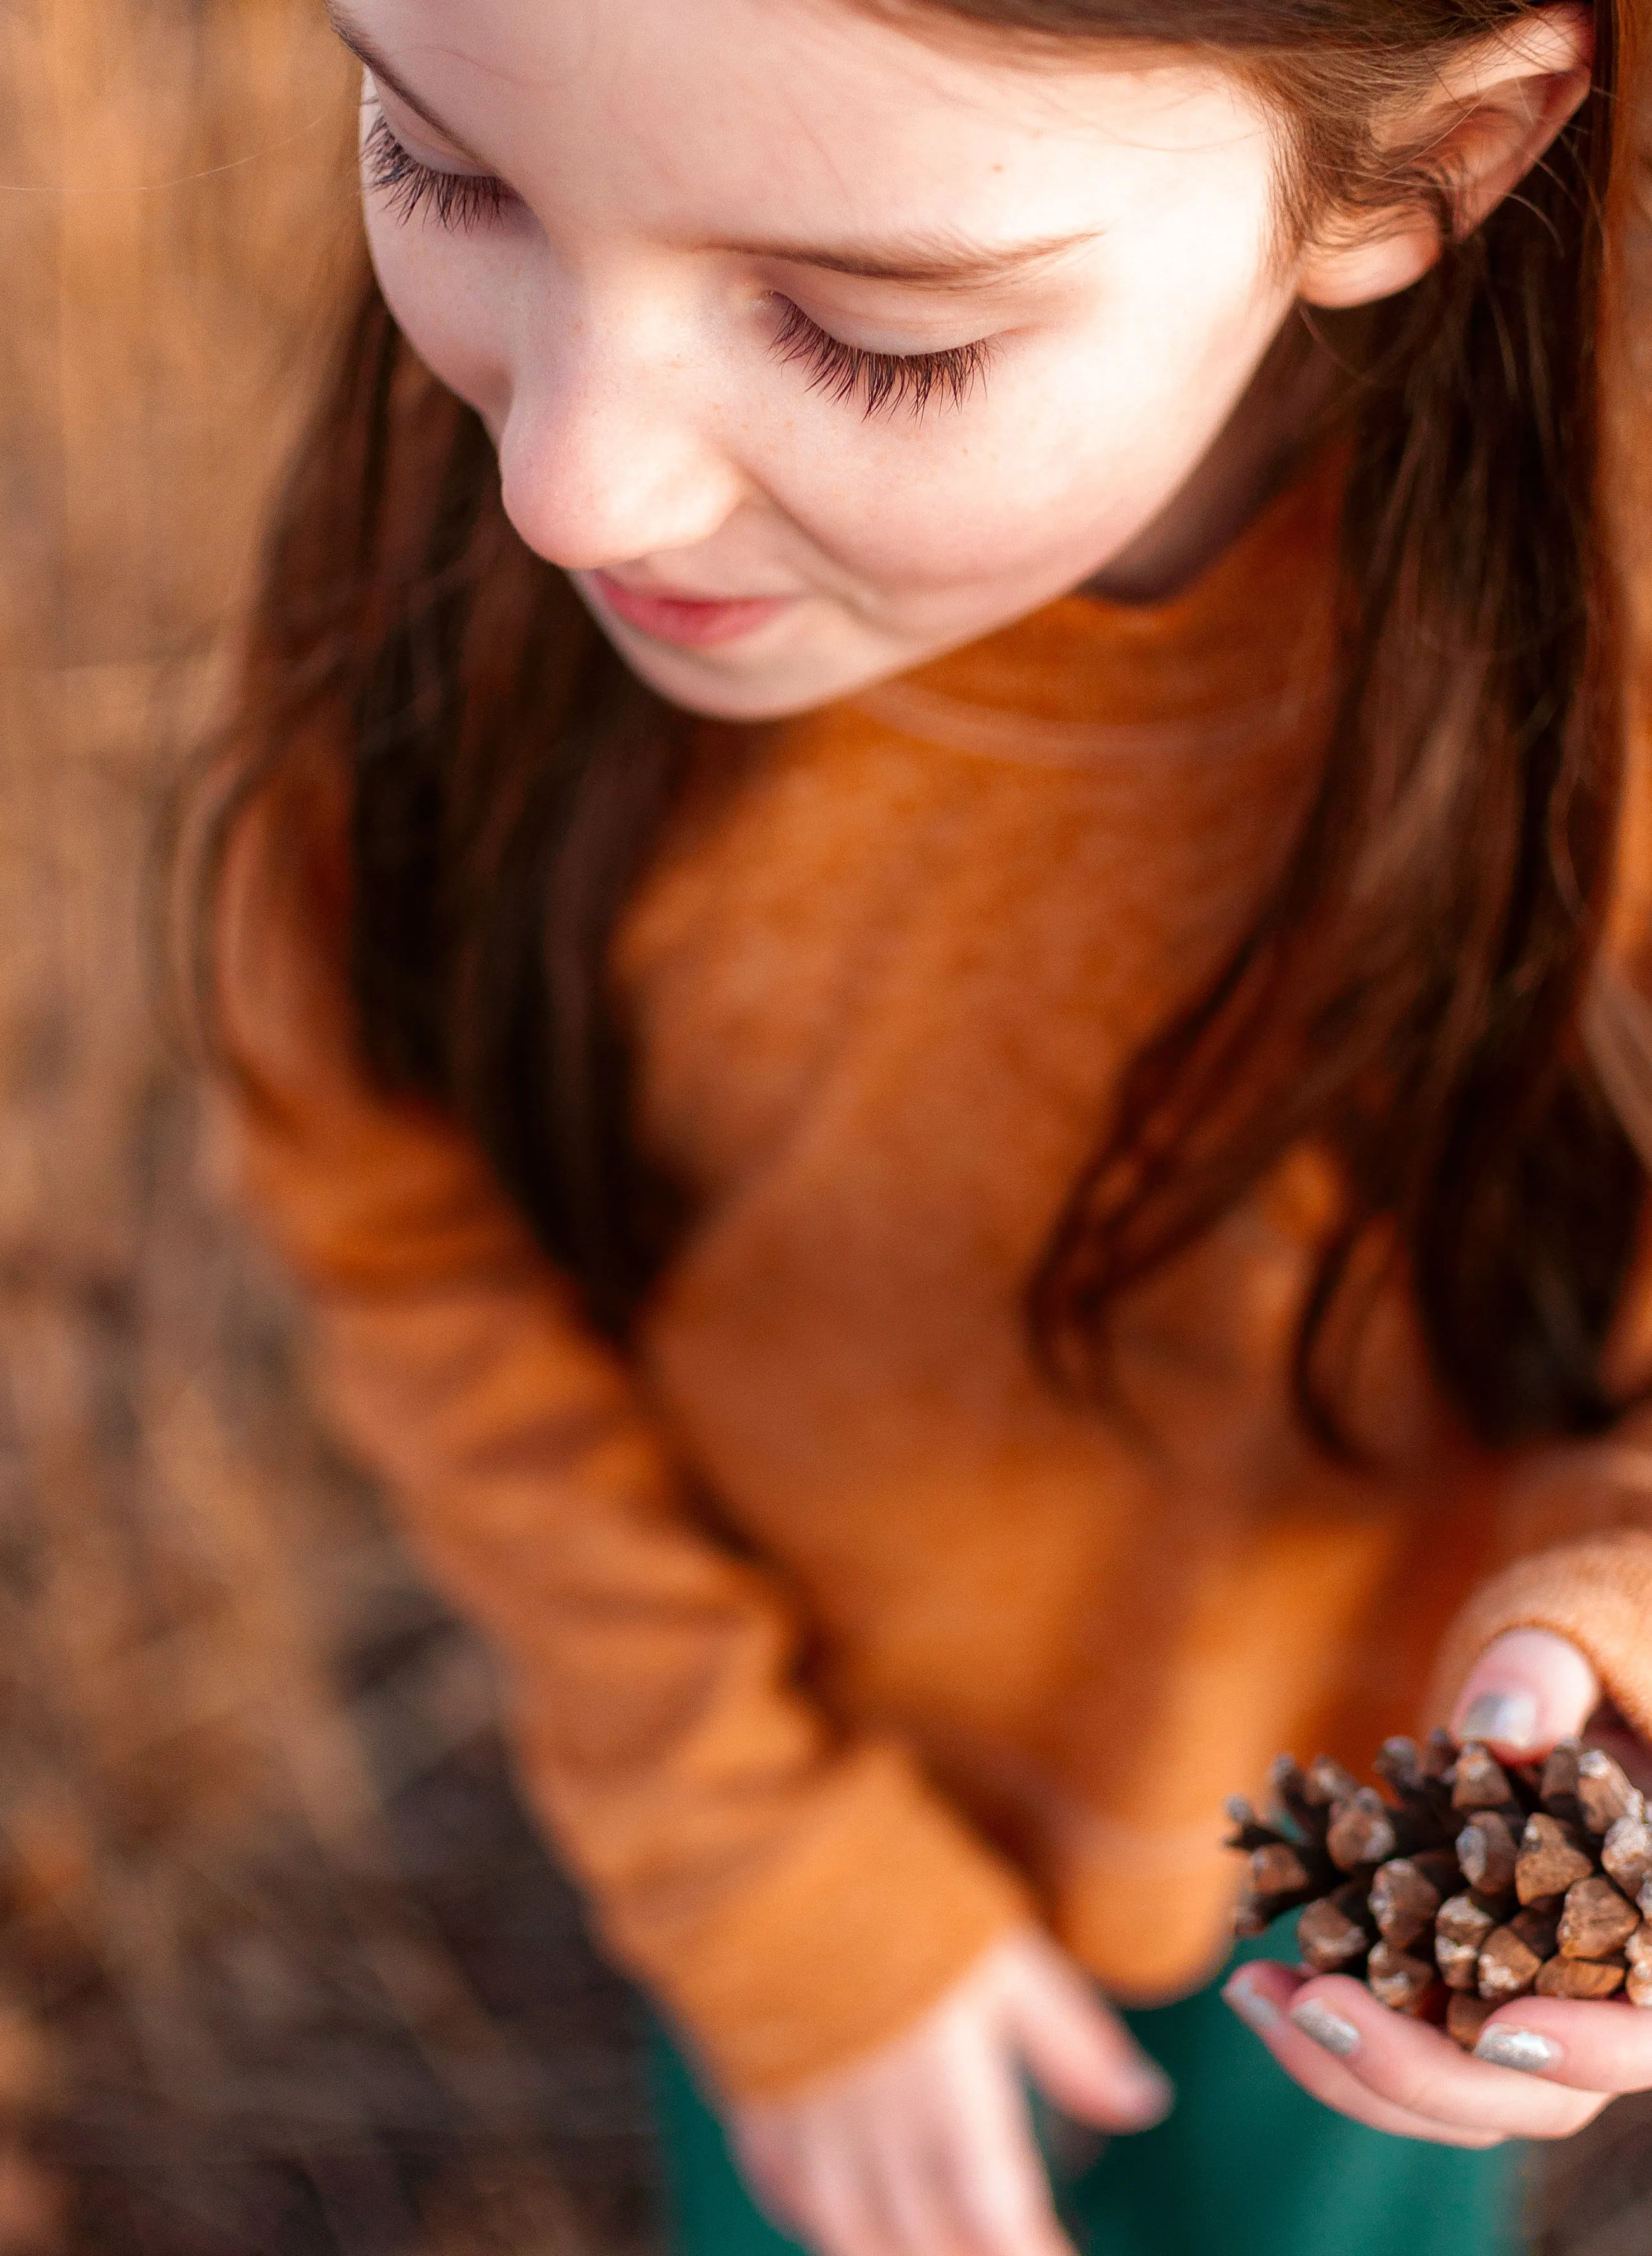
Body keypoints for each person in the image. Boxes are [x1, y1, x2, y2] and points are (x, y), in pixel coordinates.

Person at [194, 0, 1652, 2248]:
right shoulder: (444, 570)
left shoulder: (1608, 653)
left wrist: (1621, 1693)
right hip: (788, 1813)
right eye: (437, 163)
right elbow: (391, 1215)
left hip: (1402, 1844)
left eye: (868, 337)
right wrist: (766, 1876)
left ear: (1426, 162)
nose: (566, 484)